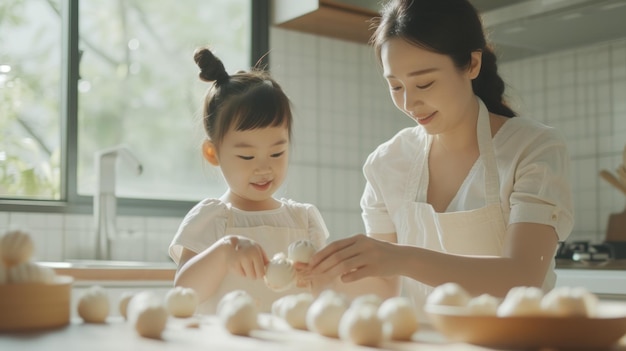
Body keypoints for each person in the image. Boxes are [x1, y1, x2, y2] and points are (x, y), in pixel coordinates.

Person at [304, 0, 574, 317]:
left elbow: (521, 277)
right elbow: (383, 287)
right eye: (395, 86)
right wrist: (322, 276)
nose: (409, 102)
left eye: (425, 83)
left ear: (472, 64)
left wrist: (401, 257)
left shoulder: (532, 148)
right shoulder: (387, 164)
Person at [169, 47, 329, 314]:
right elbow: (183, 294)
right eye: (246, 156)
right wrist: (224, 252)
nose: (264, 167)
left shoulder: (304, 220)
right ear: (213, 153)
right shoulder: (214, 220)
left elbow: (328, 295)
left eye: (277, 152)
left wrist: (316, 278)